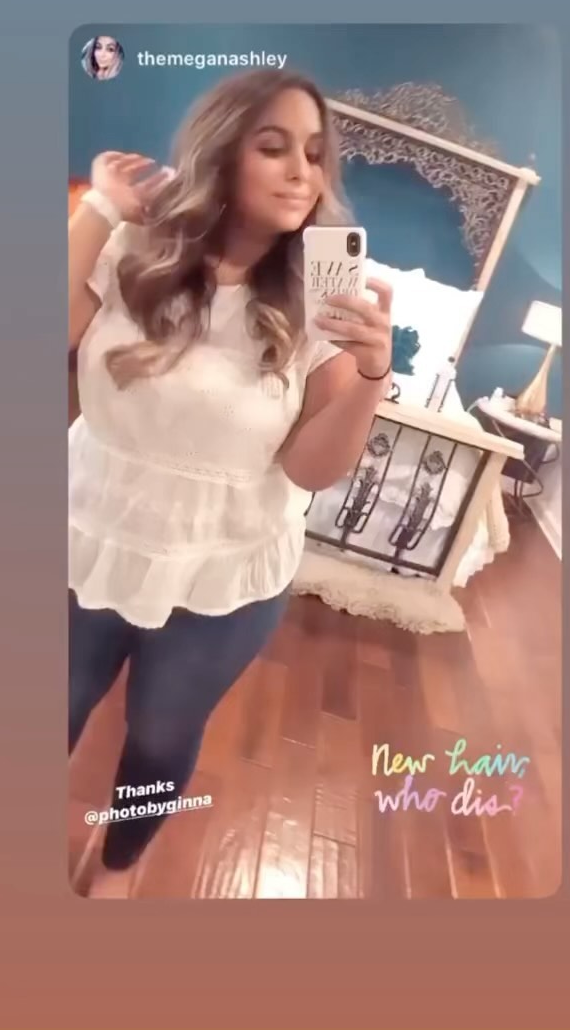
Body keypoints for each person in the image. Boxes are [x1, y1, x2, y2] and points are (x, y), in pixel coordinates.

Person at [68, 67, 393, 896]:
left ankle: (118, 865)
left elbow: (310, 468)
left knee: (160, 732)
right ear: (221, 151)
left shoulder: (323, 299)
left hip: (226, 560)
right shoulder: (133, 246)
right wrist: (98, 207)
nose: (301, 173)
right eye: (273, 147)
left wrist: (371, 377)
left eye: (315, 155)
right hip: (88, 526)